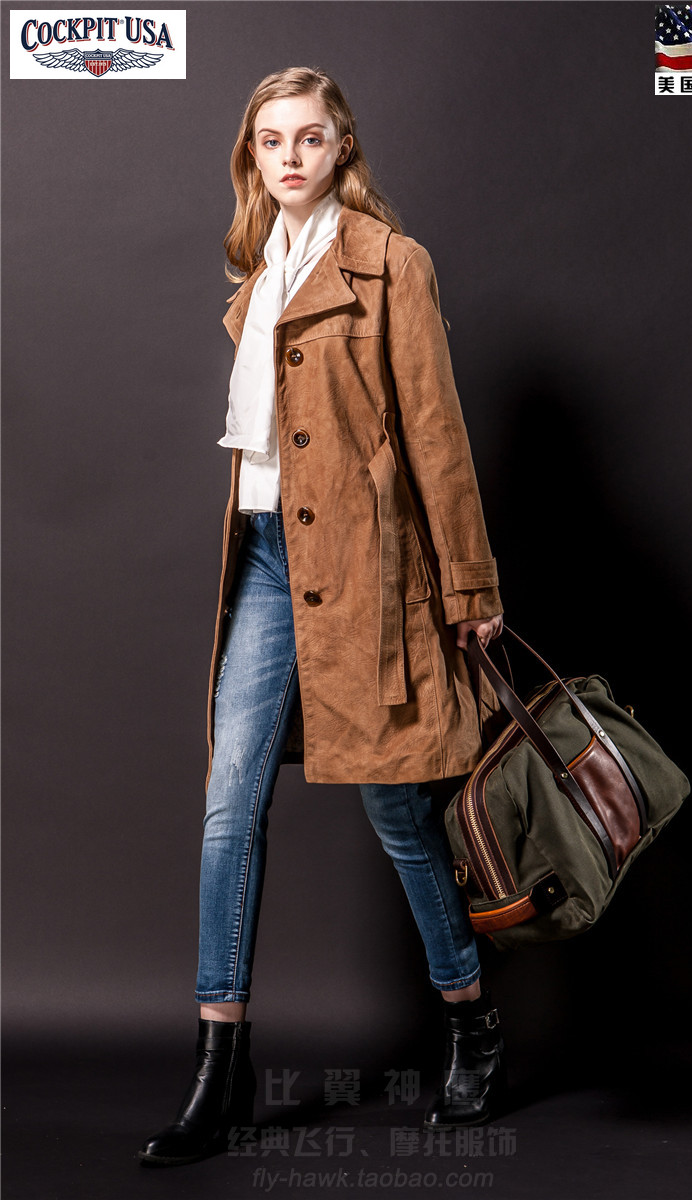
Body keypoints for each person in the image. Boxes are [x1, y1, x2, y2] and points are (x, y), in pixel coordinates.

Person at [138, 66, 506, 1169]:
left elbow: (435, 432)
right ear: (251, 157)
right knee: (229, 809)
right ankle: (220, 1069)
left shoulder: (393, 264)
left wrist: (469, 587)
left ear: (343, 146)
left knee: (399, 813)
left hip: (364, 570)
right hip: (262, 558)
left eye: (308, 137)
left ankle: (471, 1019)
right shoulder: (257, 272)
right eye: (270, 140)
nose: (289, 156)